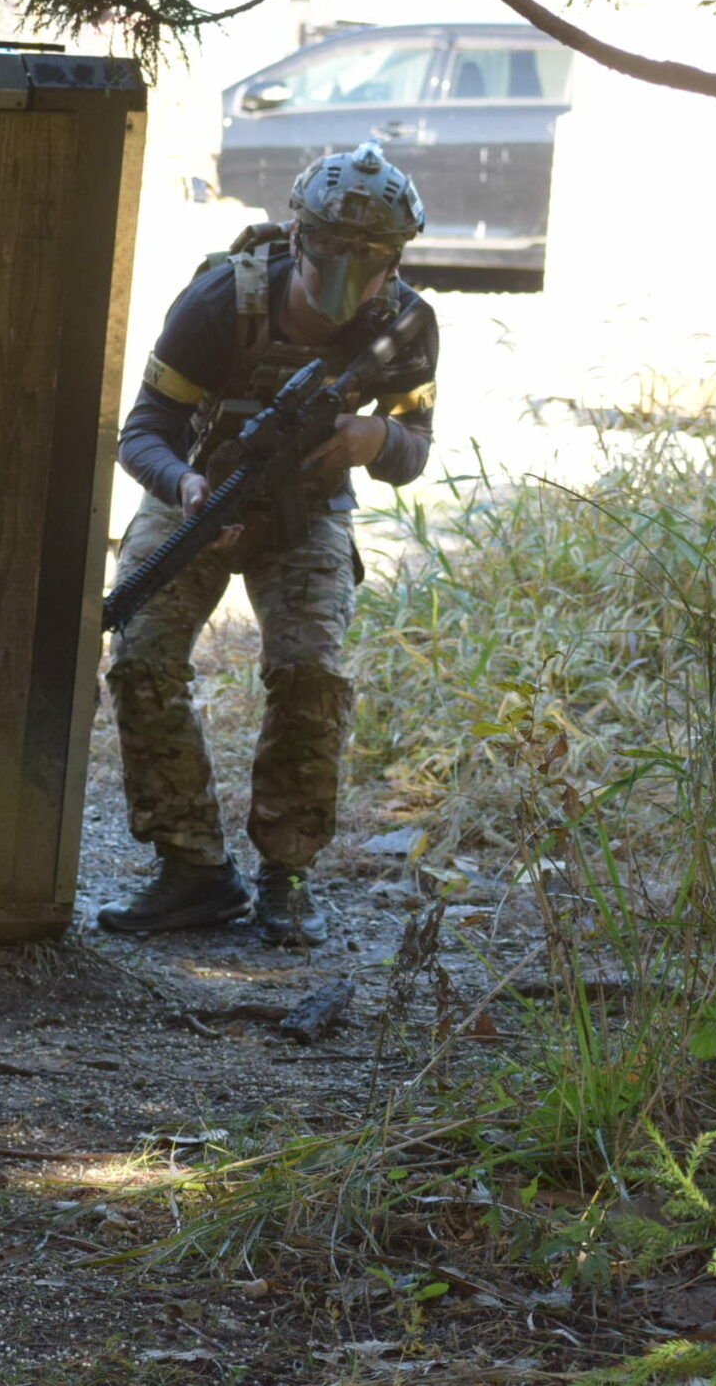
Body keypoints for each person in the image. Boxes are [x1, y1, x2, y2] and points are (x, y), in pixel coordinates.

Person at [98, 142, 439, 947]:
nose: (347, 269)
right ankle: (193, 868)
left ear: (394, 259)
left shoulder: (405, 324)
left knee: (310, 672)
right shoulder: (224, 302)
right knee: (141, 655)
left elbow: (414, 448)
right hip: (201, 491)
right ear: (297, 238)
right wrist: (185, 485)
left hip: (308, 508)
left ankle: (287, 873)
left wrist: (374, 437)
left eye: (370, 254)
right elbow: (142, 430)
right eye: (331, 246)